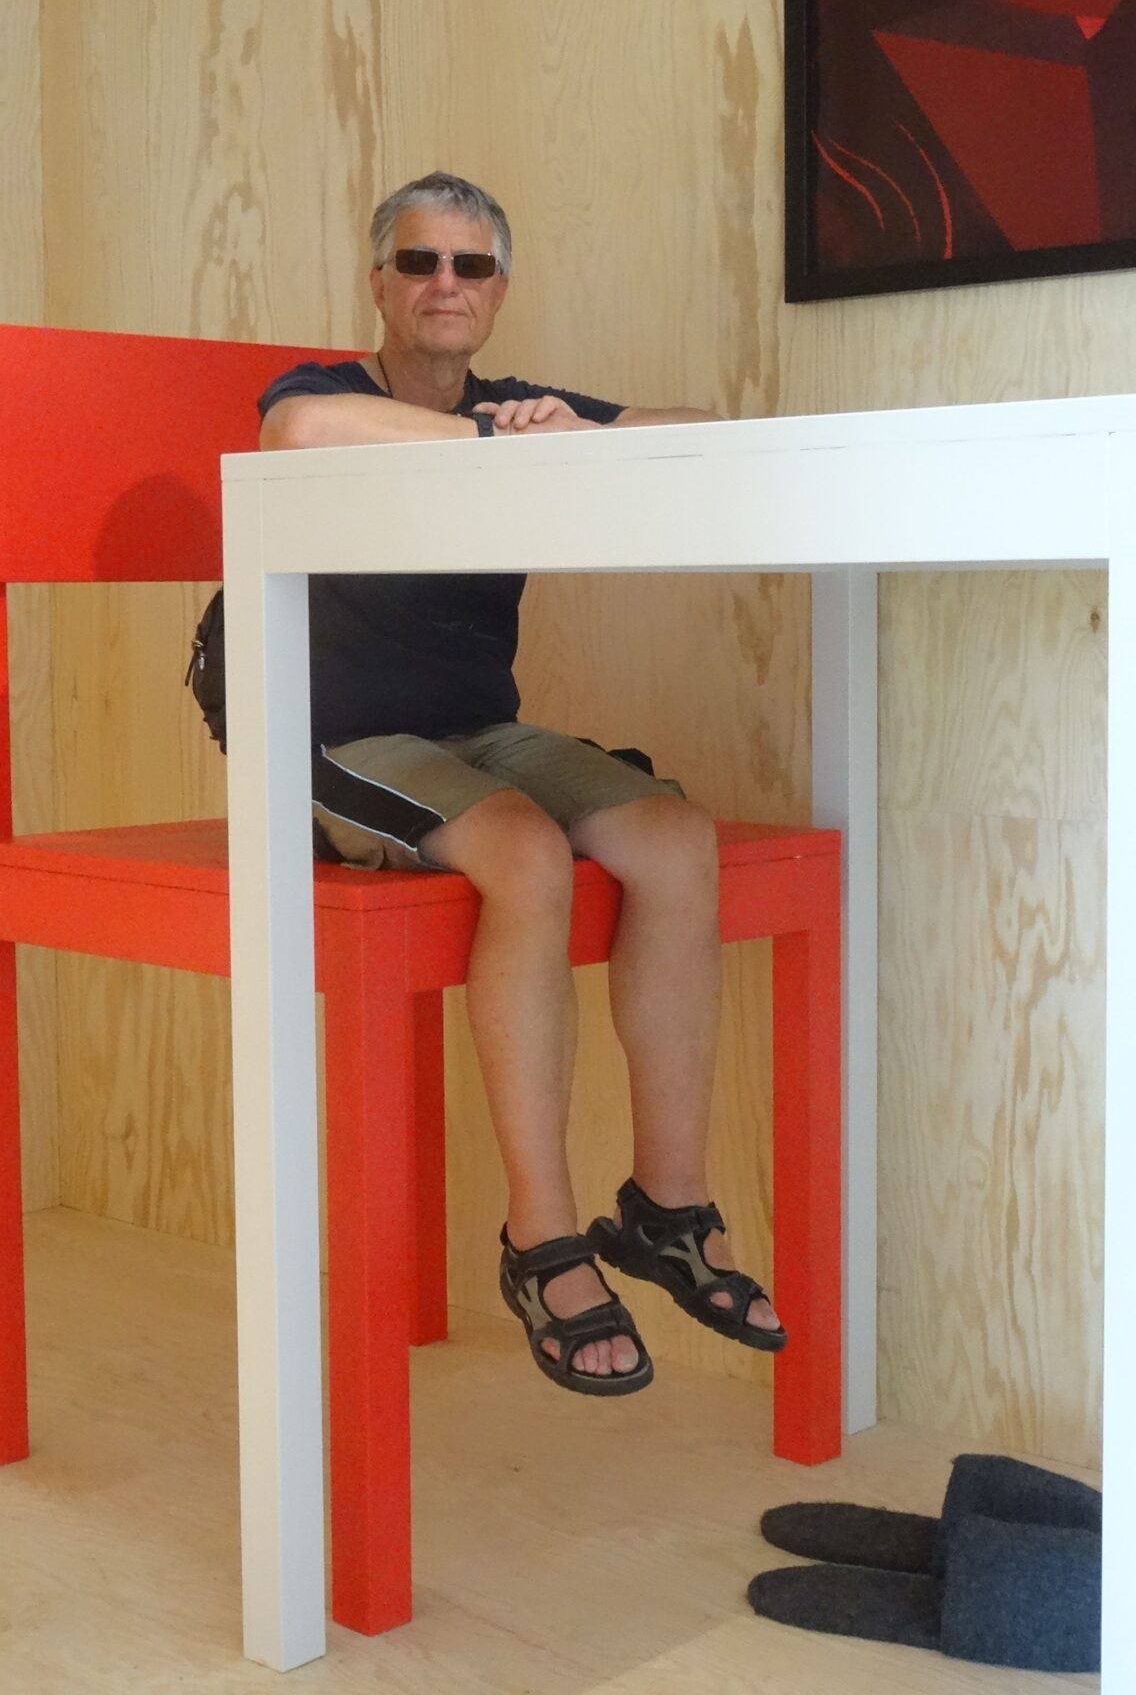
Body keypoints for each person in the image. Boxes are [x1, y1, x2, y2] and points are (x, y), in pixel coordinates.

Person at [211, 170, 783, 1395]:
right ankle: (541, 1236)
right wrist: (495, 442)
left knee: (675, 837)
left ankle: (666, 1206)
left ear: (499, 290)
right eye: (418, 262)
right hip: (337, 738)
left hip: (477, 730)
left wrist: (580, 435)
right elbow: (293, 438)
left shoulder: (526, 408)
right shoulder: (327, 392)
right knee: (523, 854)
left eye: (469, 266)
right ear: (379, 284)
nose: (444, 284)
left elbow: (709, 432)